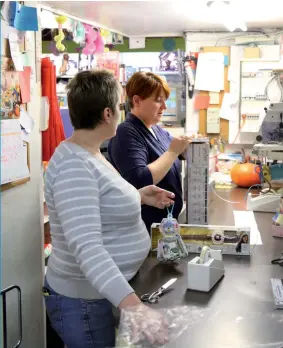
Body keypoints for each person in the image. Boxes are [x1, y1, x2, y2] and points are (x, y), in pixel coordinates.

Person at [43, 70, 174, 348]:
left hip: (102, 294)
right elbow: (87, 248)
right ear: (106, 114)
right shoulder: (74, 165)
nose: (120, 112)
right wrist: (134, 307)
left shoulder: (90, 151)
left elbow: (98, 202)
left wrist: (139, 196)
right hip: (83, 302)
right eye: (118, 106)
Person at [108, 72, 196, 232]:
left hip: (166, 226)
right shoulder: (126, 132)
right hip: (144, 229)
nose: (164, 107)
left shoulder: (157, 130)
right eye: (158, 100)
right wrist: (172, 152)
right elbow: (139, 180)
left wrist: (188, 148)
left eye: (165, 101)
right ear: (137, 100)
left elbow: (168, 158)